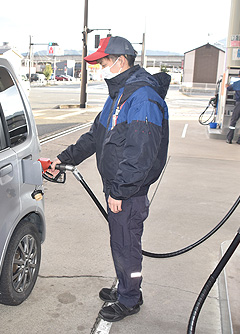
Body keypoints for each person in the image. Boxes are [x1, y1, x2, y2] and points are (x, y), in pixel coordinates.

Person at [50, 36, 170, 322]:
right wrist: (65, 158)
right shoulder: (119, 94)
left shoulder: (142, 97)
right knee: (120, 242)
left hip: (127, 191)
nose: (99, 68)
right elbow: (96, 136)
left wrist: (121, 190)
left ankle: (130, 298)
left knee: (127, 244)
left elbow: (141, 152)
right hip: (118, 187)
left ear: (120, 60)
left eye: (102, 62)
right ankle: (126, 288)